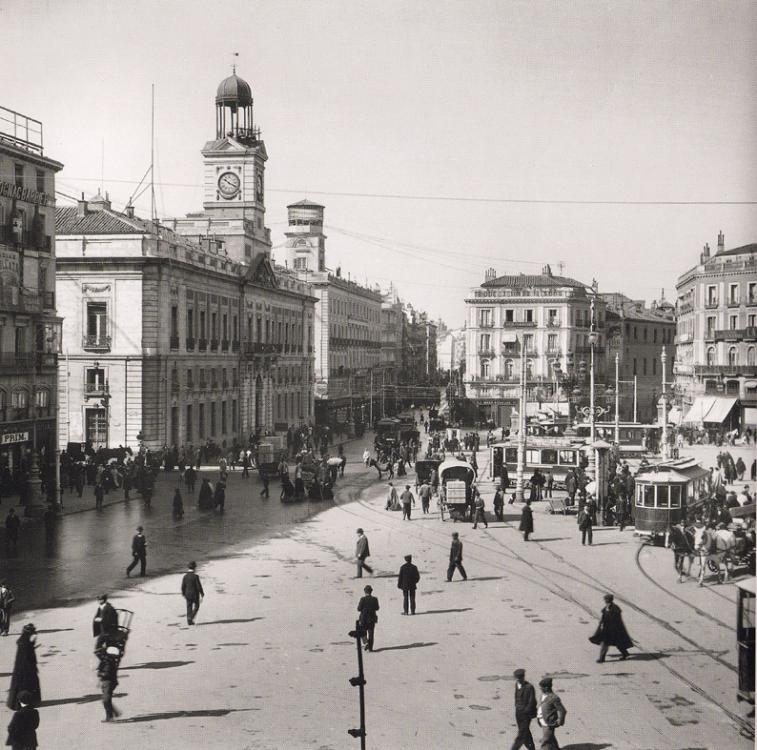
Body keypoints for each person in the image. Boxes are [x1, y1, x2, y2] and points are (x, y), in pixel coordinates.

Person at [590, 593, 633, 662]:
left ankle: (603, 658)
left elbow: (616, 618)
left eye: (606, 599)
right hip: (607, 629)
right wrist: (601, 623)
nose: (605, 600)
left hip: (613, 629)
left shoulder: (615, 608)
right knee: (607, 643)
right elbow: (603, 616)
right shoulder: (606, 607)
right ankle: (603, 658)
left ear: (610, 600)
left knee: (616, 643)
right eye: (605, 599)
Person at [6, 624, 40, 710]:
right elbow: (27, 657)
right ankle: (23, 703)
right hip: (25, 670)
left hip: (20, 669)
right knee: (25, 685)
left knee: (20, 686)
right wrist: (32, 645)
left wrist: (32, 644)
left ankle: (16, 703)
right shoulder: (25, 643)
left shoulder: (23, 641)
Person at [536, 677, 566, 750]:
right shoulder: (542, 695)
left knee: (545, 742)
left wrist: (559, 721)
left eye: (541, 688)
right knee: (550, 737)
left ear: (546, 688)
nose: (540, 689)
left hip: (549, 722)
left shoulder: (554, 698)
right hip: (542, 721)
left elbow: (562, 710)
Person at [511, 668, 537, 750]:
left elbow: (532, 701)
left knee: (522, 733)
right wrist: (516, 705)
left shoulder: (529, 687)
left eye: (521, 678)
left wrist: (526, 711)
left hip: (526, 714)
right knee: (525, 732)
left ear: (523, 677)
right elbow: (516, 696)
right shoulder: (517, 684)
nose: (519, 680)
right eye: (518, 678)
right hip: (518, 712)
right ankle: (531, 748)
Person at [96, 644, 121, 722]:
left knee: (106, 700)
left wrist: (100, 674)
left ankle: (110, 716)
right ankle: (112, 715)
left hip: (108, 682)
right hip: (108, 682)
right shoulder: (110, 661)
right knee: (106, 700)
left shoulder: (108, 662)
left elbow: (107, 674)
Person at [357, 585, 380, 652]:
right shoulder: (375, 599)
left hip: (363, 618)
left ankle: (366, 643)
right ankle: (370, 648)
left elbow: (359, 609)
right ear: (371, 591)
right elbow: (377, 608)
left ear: (365, 591)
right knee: (371, 633)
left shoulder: (362, 599)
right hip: (372, 618)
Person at [181, 561, 205, 626]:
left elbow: (183, 586)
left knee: (189, 607)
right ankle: (191, 618)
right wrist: (202, 593)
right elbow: (199, 586)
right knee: (197, 606)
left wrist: (183, 593)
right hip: (195, 594)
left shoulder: (185, 576)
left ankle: (189, 620)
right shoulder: (195, 576)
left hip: (187, 594)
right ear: (194, 568)